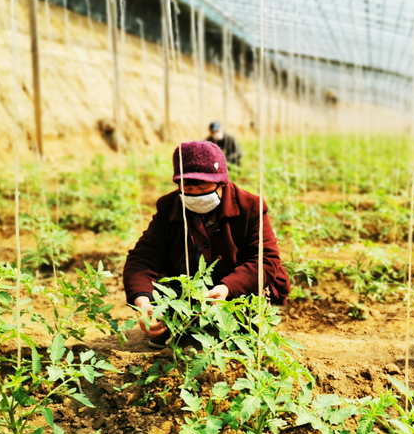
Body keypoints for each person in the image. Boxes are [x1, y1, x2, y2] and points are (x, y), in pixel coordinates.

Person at [123, 140, 290, 348]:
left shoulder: (250, 207)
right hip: (189, 290)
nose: (195, 193)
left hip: (236, 290)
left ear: (222, 182)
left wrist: (227, 288)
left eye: (203, 186)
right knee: (167, 318)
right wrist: (144, 302)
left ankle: (236, 323)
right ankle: (175, 323)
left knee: (240, 331)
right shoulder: (169, 206)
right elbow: (143, 257)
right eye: (188, 187)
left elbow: (266, 259)